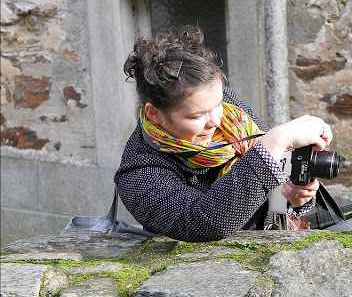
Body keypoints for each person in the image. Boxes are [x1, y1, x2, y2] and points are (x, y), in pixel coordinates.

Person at [114, 25, 332, 242]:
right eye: (197, 116)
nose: (216, 121)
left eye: (217, 104)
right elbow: (202, 223)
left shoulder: (228, 109)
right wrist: (275, 140)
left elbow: (265, 172)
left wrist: (293, 195)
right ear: (154, 114)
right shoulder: (139, 175)